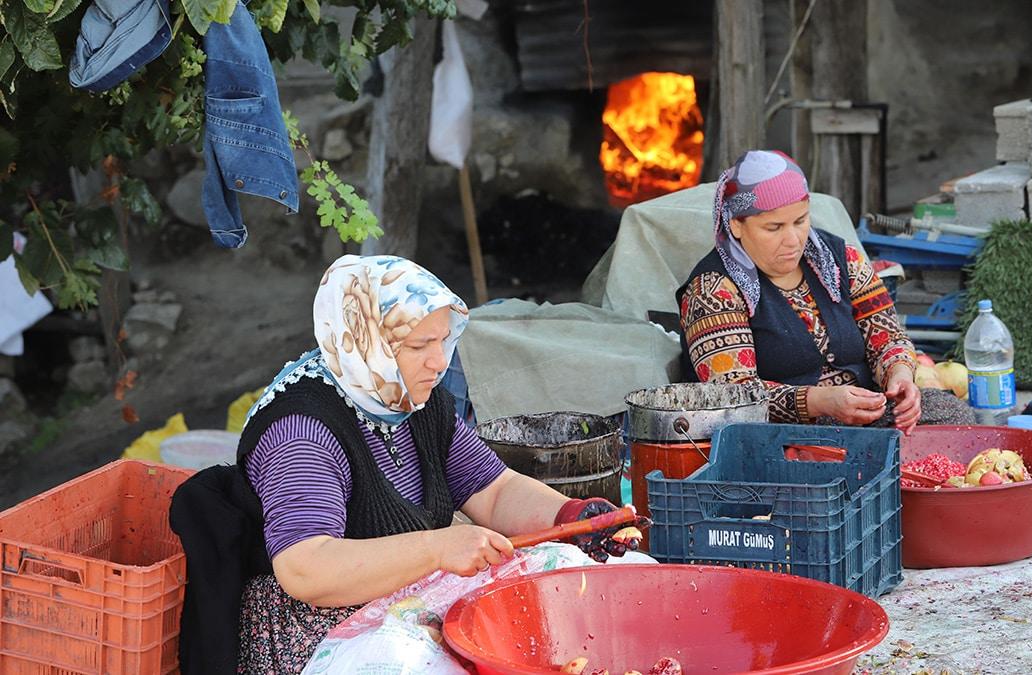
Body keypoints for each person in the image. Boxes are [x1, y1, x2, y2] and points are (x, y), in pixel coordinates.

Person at [172, 254, 636, 674]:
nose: (439, 362)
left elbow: (493, 490)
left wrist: (571, 517)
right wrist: (438, 548)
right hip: (312, 630)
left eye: (441, 341)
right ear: (366, 344)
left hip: (405, 595)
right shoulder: (303, 432)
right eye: (418, 347)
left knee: (576, 573)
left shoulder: (415, 402)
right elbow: (306, 569)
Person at [676, 150, 972, 434]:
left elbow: (888, 338)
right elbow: (734, 395)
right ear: (736, 225)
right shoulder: (712, 289)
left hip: (866, 416)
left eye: (800, 221)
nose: (793, 239)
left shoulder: (840, 260)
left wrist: (900, 375)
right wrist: (819, 402)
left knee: (952, 414)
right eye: (774, 227)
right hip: (778, 435)